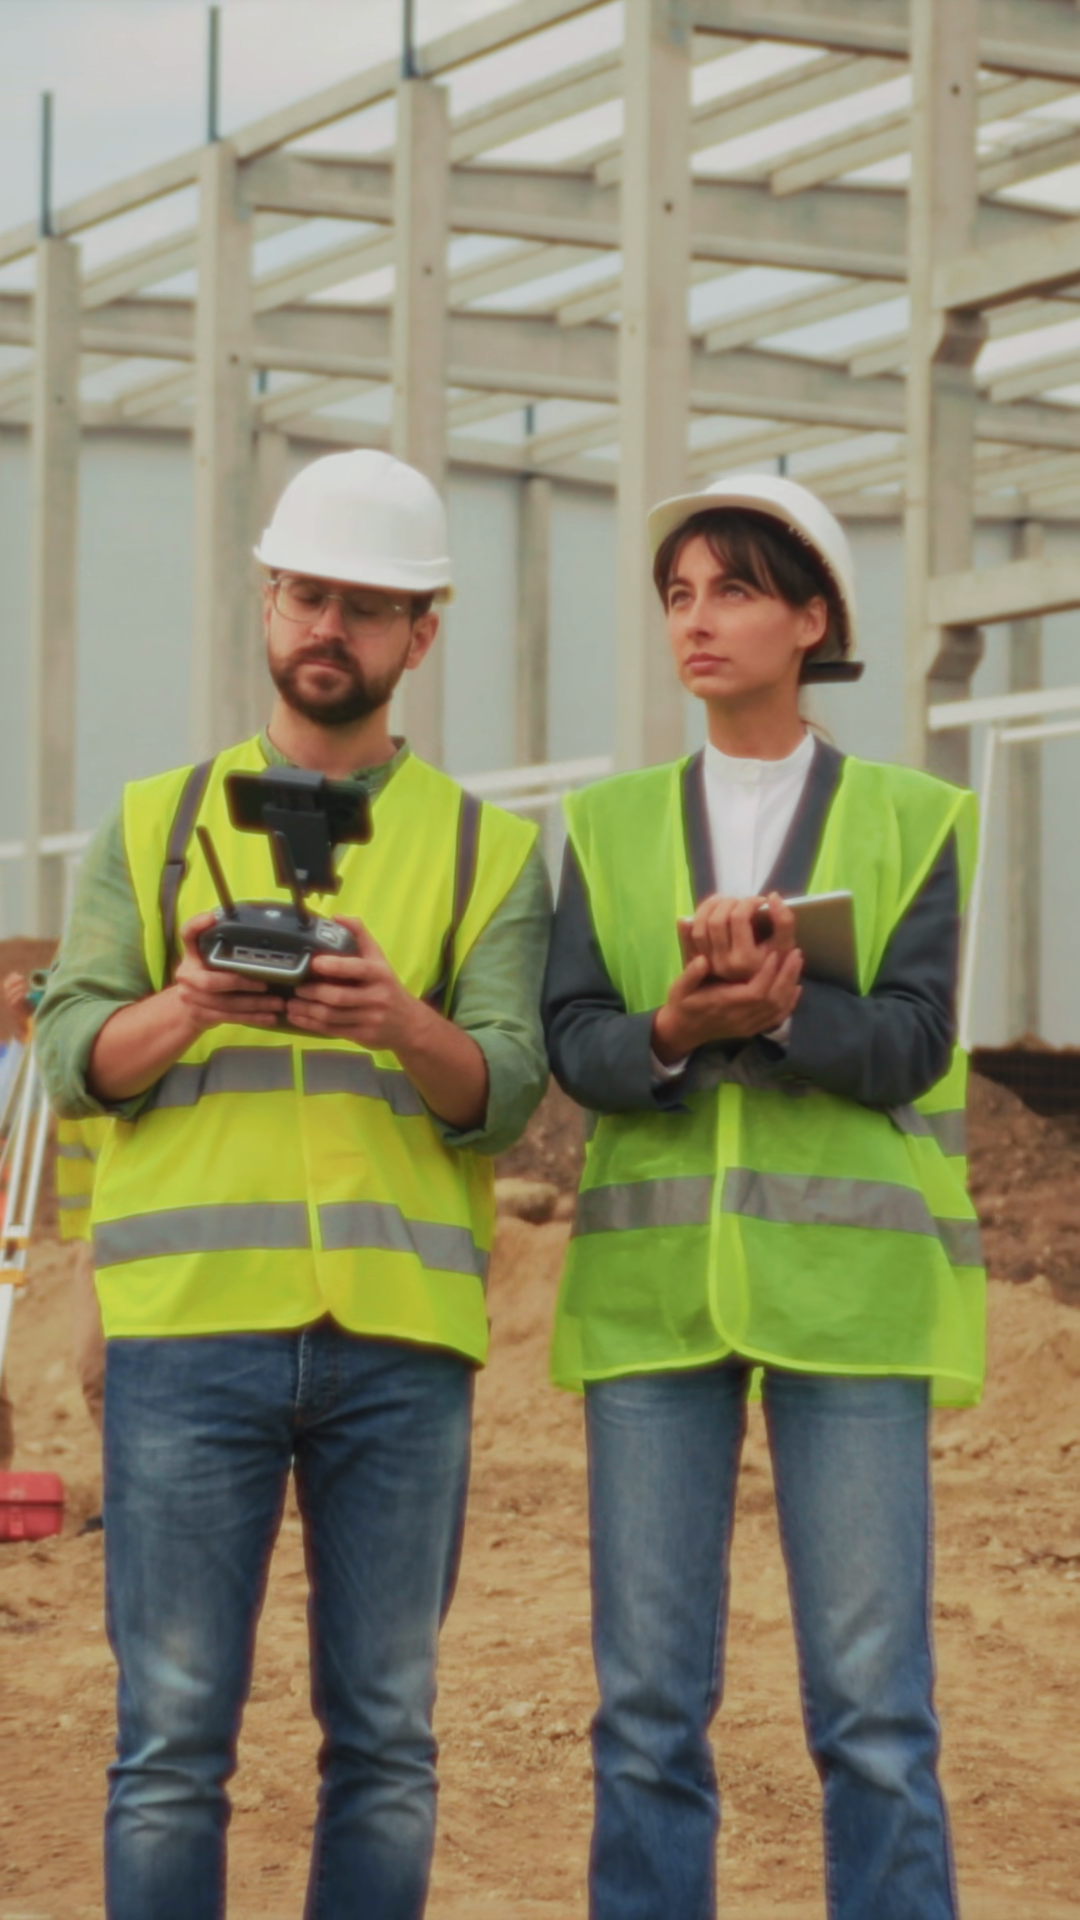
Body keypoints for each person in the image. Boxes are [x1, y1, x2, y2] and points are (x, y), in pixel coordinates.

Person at [36, 448, 552, 1920]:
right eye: (309, 594)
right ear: (267, 600)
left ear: (421, 634)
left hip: (399, 1346)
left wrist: (398, 1022)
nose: (331, 627)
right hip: (189, 1333)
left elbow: (509, 1087)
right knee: (170, 1742)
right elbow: (72, 1057)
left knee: (385, 1741)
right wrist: (188, 1003)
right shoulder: (152, 824)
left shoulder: (490, 851)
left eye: (367, 606)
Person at [542, 473, 984, 1920]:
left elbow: (915, 1041)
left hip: (852, 1301)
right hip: (652, 1306)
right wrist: (674, 1031)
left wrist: (790, 1011)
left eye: (732, 589)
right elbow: (576, 1044)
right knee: (646, 1711)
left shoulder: (915, 818)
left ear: (811, 620)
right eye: (678, 594)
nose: (697, 619)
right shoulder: (605, 826)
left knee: (873, 1712)